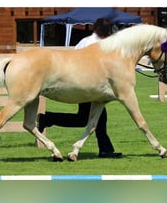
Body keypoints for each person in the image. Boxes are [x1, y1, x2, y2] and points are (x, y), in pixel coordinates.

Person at [37, 18, 122, 158]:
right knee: (95, 118)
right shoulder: (97, 44)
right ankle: (105, 150)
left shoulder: (84, 41)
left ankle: (48, 118)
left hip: (81, 83)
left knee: (84, 119)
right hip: (89, 86)